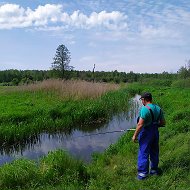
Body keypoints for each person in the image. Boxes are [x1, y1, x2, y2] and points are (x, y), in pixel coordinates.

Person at [132, 92, 166, 180]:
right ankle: (154, 171)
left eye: (142, 100)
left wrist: (135, 136)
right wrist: (154, 124)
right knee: (154, 151)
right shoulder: (158, 108)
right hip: (155, 133)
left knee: (144, 152)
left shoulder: (144, 109)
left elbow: (140, 125)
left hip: (146, 133)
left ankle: (143, 174)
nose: (141, 101)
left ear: (144, 99)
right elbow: (163, 123)